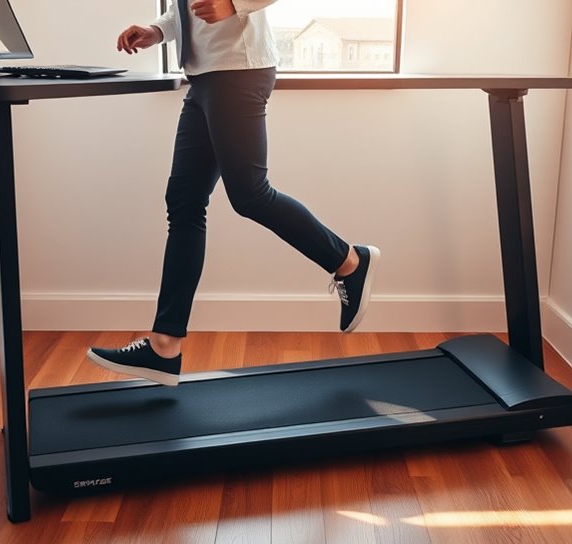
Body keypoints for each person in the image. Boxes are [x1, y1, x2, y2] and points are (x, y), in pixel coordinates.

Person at [87, 0, 380, 386]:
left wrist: (233, 4)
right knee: (184, 202)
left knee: (250, 195)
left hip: (237, 71)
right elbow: (187, 9)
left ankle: (349, 261)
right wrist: (157, 31)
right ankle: (164, 345)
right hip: (204, 77)